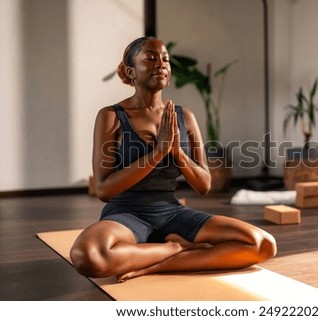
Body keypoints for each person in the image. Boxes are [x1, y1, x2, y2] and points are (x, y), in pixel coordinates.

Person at [70, 37, 277, 282]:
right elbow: (104, 189)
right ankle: (175, 248)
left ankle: (158, 264)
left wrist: (177, 152)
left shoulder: (184, 116)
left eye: (165, 59)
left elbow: (204, 185)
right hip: (126, 214)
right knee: (88, 254)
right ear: (130, 71)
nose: (161, 64)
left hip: (172, 213)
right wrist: (157, 152)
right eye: (150, 58)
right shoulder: (111, 116)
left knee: (263, 244)